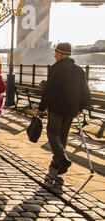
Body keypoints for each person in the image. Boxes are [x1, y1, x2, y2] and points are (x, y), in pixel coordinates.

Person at [37, 42, 91, 175]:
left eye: (55, 54)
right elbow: (86, 92)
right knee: (63, 135)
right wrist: (81, 107)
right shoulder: (79, 70)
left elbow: (49, 90)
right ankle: (57, 163)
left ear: (60, 54)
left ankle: (61, 159)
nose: (54, 56)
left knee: (52, 132)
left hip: (56, 107)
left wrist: (42, 107)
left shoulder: (56, 68)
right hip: (71, 109)